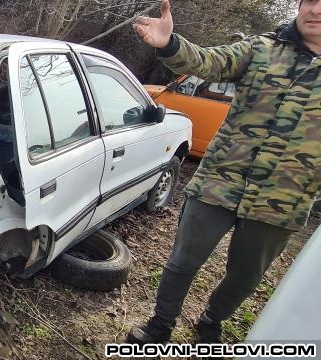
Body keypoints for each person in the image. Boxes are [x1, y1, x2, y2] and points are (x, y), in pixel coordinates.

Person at [128, 0, 321, 344]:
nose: (316, 10)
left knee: (245, 277)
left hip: (282, 201)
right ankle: (160, 324)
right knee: (183, 261)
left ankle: (211, 320)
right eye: (311, 0)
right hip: (219, 182)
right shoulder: (262, 49)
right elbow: (209, 62)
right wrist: (171, 44)